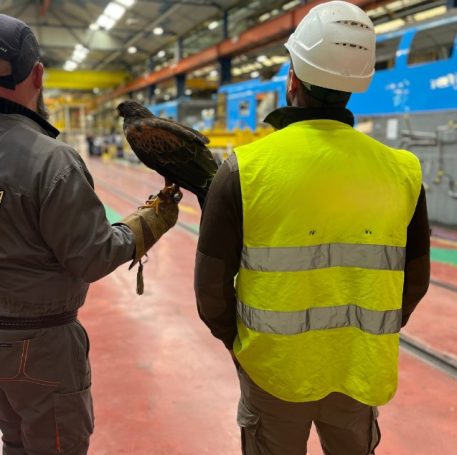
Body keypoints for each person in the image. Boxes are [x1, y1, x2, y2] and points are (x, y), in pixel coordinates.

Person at [194, 2, 430, 454]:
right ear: (356, 87)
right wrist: (365, 337)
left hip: (274, 372)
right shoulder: (403, 171)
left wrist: (246, 346)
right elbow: (415, 280)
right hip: (358, 370)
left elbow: (210, 290)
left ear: (292, 79)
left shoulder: (245, 169)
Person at [0, 14, 180, 455]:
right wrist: (148, 222)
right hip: (39, 346)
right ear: (37, 75)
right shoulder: (51, 162)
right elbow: (91, 256)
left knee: (14, 440)